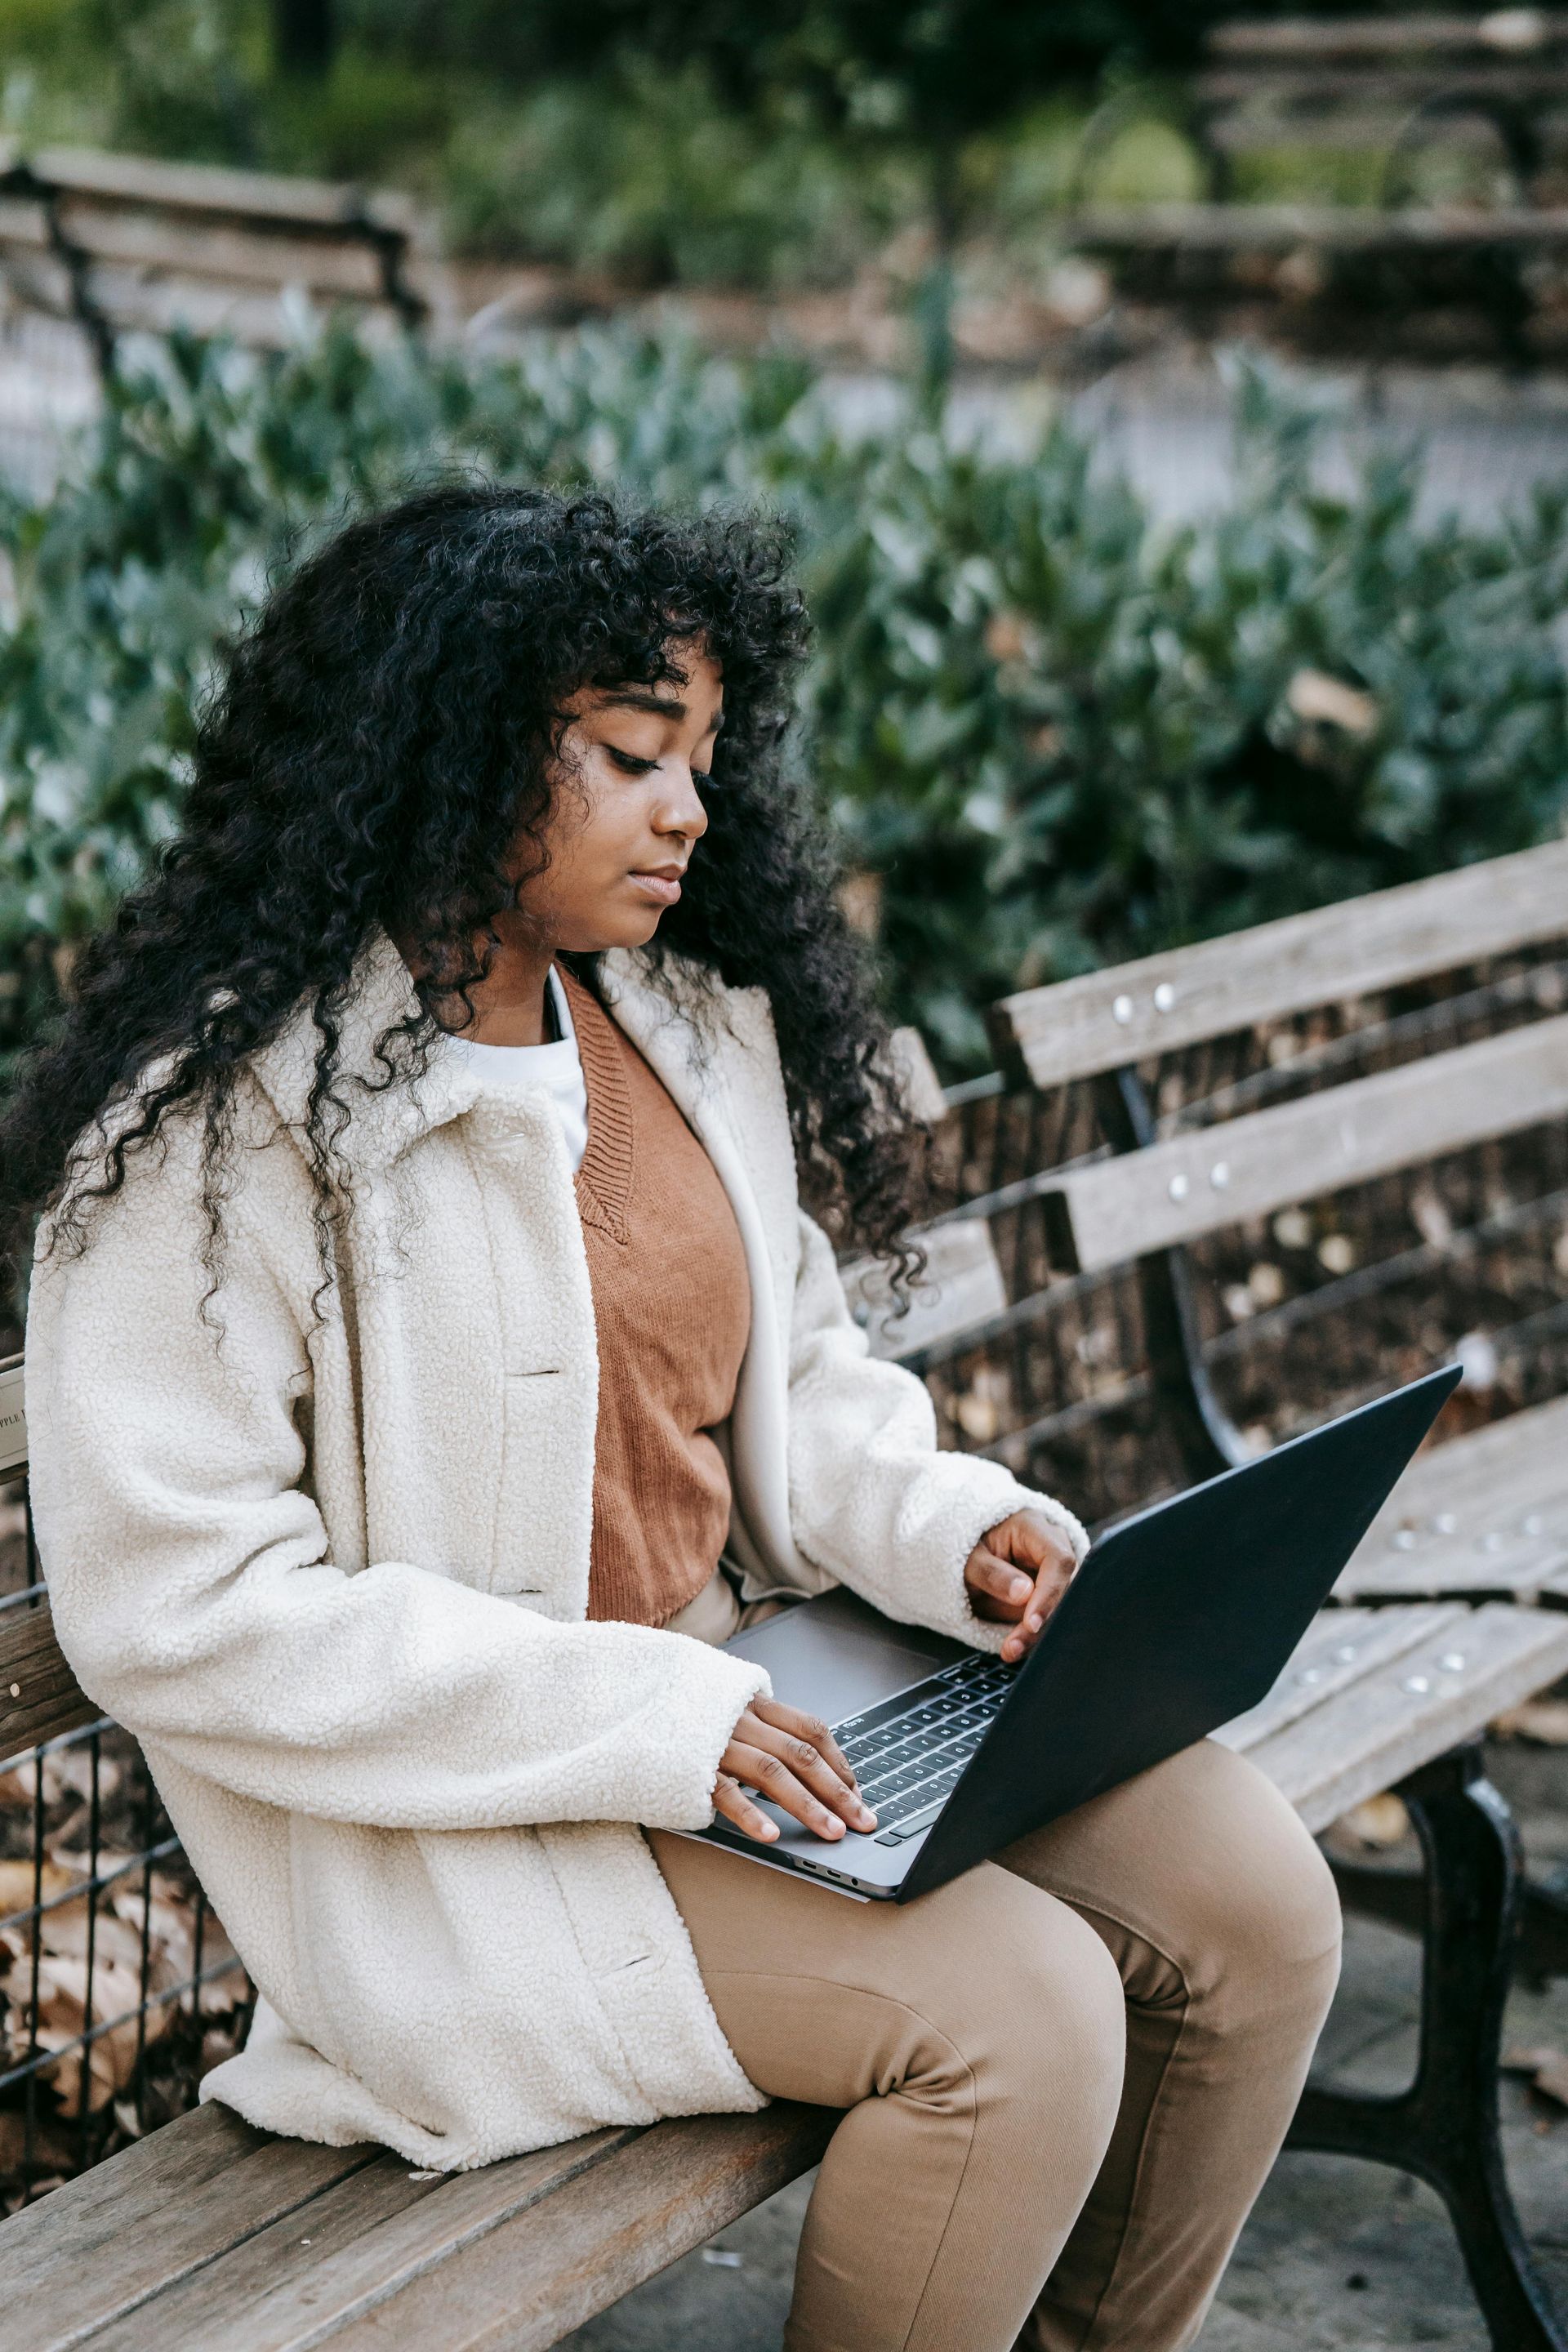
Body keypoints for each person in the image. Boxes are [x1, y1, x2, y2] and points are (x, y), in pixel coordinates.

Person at [5, 487, 1340, 2352]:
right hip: (487, 1838)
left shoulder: (683, 1020)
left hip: (777, 1710)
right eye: (635, 756)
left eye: (705, 758)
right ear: (456, 756)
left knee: (1260, 1912)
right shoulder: (229, 1136)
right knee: (1021, 2020)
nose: (689, 809)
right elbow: (183, 1609)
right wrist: (652, 1717)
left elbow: (792, 1381)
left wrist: (955, 1528)